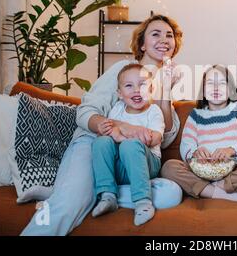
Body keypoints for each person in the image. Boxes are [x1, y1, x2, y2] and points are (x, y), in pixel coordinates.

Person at [22, 15, 184, 235]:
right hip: (95, 144)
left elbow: (164, 138)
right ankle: (73, 194)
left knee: (170, 194)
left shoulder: (165, 85)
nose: (164, 39)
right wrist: (119, 127)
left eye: (169, 35)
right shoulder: (123, 69)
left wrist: (165, 90)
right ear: (142, 44)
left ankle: (87, 191)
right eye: (155, 34)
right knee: (67, 206)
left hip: (126, 163)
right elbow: (86, 112)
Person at [162, 65, 237, 203]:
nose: (216, 88)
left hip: (233, 170)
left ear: (231, 89)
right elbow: (186, 145)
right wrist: (194, 153)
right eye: (210, 83)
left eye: (222, 83)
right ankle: (224, 194)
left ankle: (211, 189)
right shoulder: (196, 115)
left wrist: (231, 150)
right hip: (201, 172)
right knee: (169, 167)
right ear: (203, 91)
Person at [91, 64, 165, 226]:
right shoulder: (117, 109)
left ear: (151, 90)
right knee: (101, 142)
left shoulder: (153, 111)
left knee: (129, 145)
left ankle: (143, 201)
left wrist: (122, 137)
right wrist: (104, 130)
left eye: (142, 85)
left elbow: (156, 139)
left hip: (146, 164)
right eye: (129, 86)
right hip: (121, 168)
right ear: (120, 93)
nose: (136, 90)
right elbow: (107, 137)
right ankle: (107, 194)